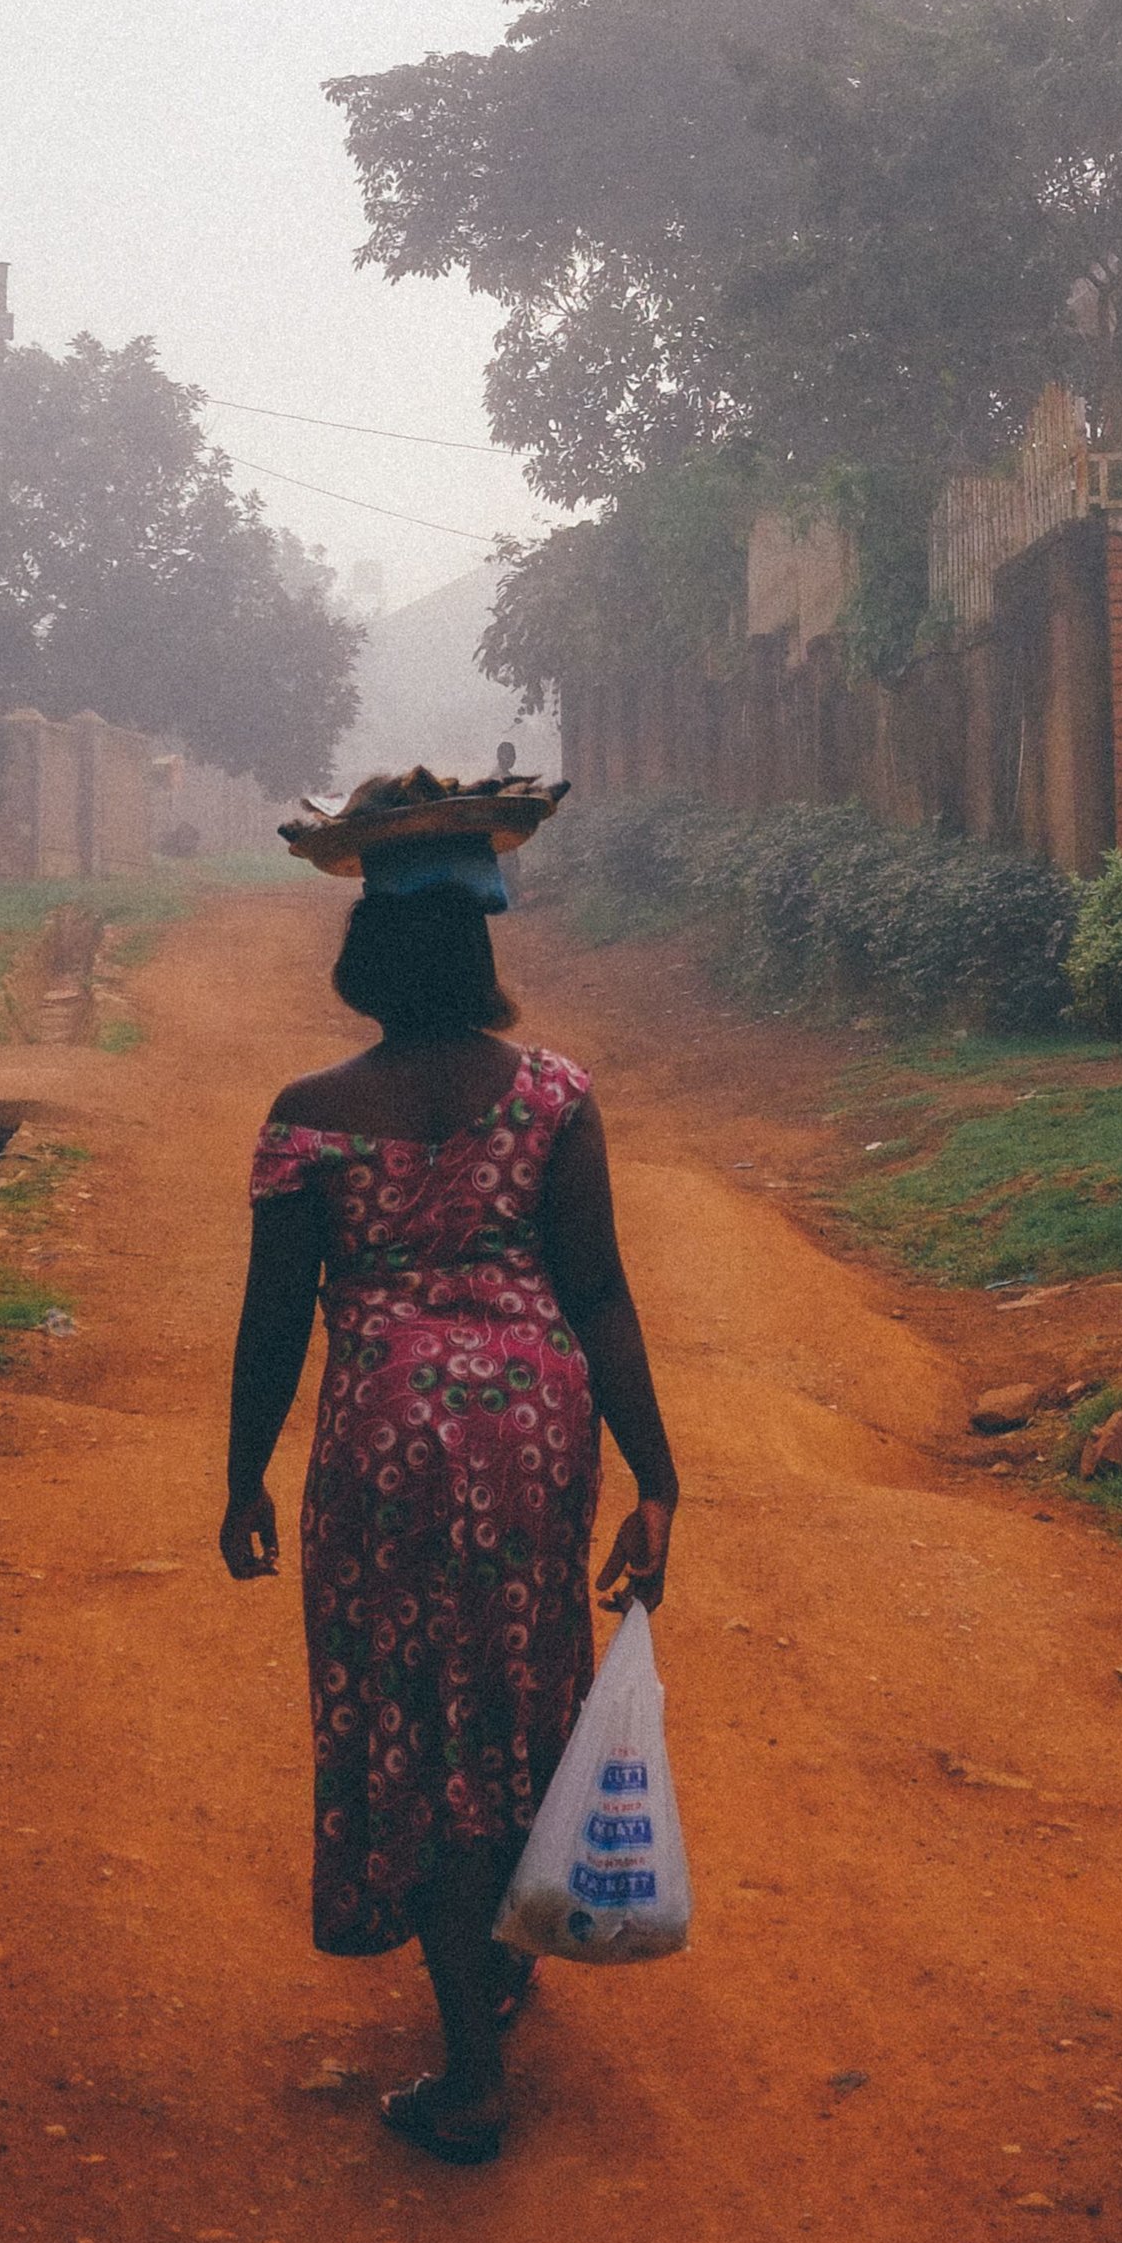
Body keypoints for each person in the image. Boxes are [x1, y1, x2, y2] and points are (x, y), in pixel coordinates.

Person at [220, 806, 679, 2165]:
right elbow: (598, 1291)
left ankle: (474, 2075)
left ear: (364, 960)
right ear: (478, 954)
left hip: (385, 1448)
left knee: (413, 1724)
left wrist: (243, 1475)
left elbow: (273, 1321)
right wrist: (658, 1480)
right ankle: (499, 1953)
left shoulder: (309, 1120)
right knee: (514, 1689)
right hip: (536, 1436)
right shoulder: (554, 1096)